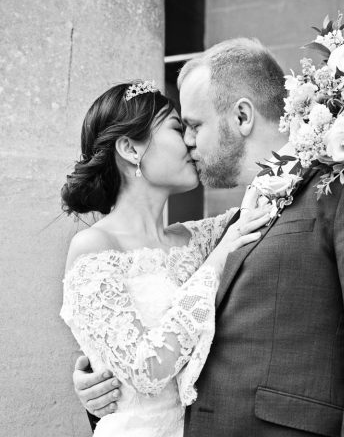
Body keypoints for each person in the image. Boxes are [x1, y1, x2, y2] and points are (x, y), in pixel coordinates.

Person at [74, 39, 344, 436]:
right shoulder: (233, 225)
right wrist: (104, 382)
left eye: (193, 125)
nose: (189, 142)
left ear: (242, 116)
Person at [59, 81, 273, 437]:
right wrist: (213, 267)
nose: (191, 141)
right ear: (130, 148)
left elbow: (268, 197)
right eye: (177, 127)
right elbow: (145, 372)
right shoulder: (94, 246)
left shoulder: (201, 238)